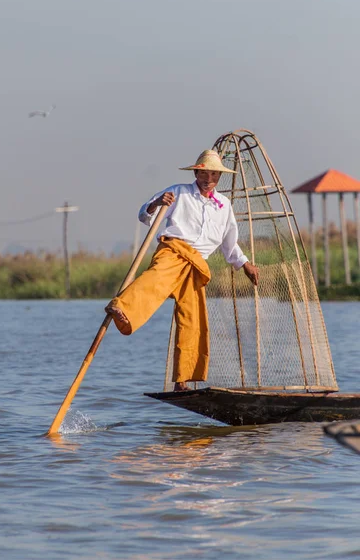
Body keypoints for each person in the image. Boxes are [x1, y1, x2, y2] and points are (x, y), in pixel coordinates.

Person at [105, 149, 259, 391]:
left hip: (197, 264)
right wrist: (157, 203)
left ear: (219, 177)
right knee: (155, 281)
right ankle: (121, 307)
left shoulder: (224, 206)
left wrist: (245, 264)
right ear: (196, 173)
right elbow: (144, 214)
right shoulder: (178, 192)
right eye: (204, 173)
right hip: (174, 250)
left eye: (214, 174)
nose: (209, 178)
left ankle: (182, 380)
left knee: (192, 320)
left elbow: (230, 245)